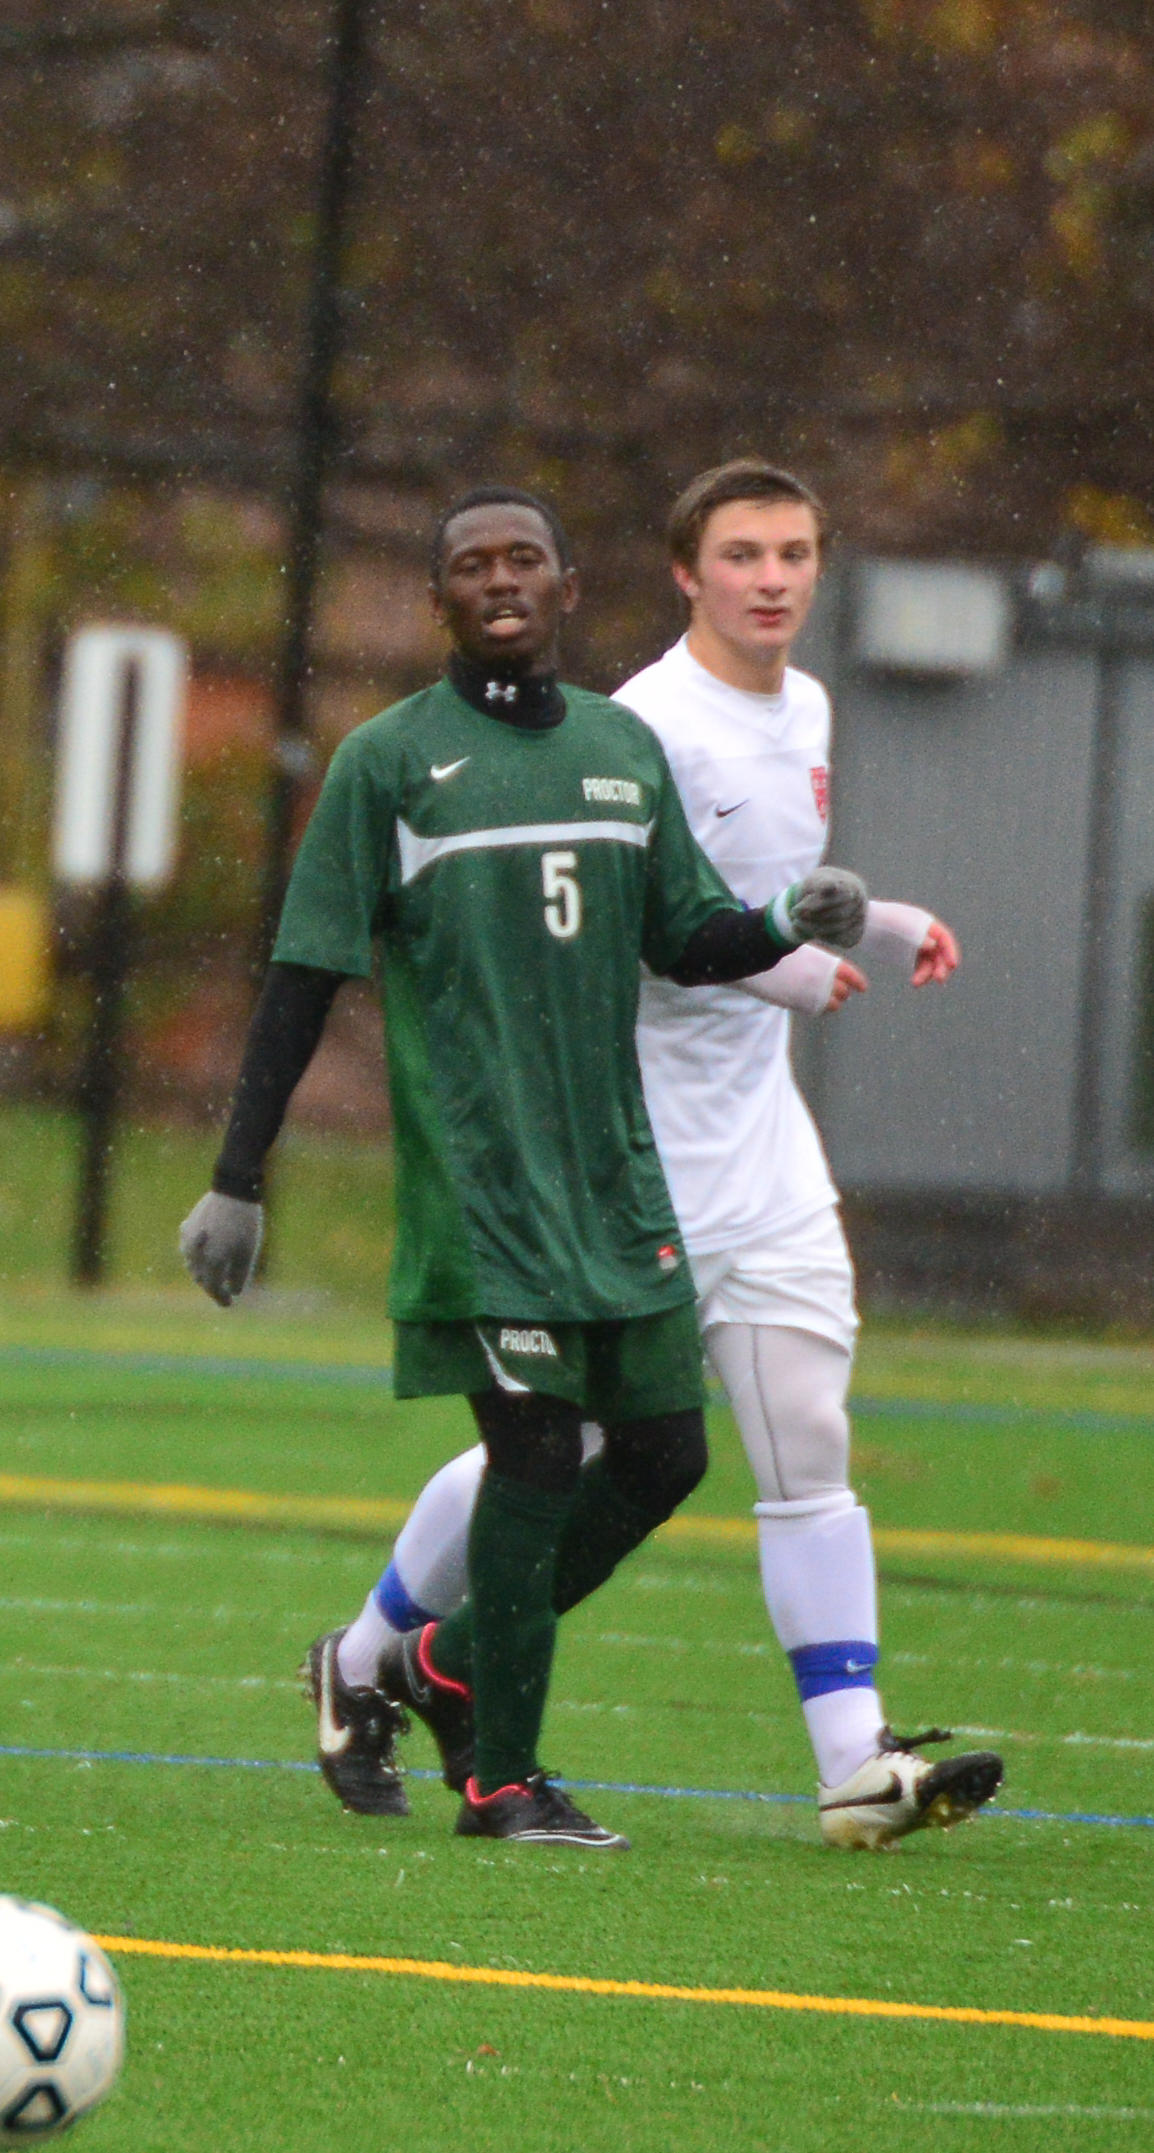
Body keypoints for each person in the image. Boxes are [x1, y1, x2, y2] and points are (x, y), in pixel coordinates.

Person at [304, 462, 1001, 1848]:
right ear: (684, 574)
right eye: (740, 553)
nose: (771, 577)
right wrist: (785, 969)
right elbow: (639, 938)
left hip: (763, 1137)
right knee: (558, 1445)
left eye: (795, 551)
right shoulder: (633, 726)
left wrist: (867, 919)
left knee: (806, 1435)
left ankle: (853, 1763)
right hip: (633, 1146)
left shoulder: (804, 703)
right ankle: (379, 1646)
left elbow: (757, 896)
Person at [182, 485, 869, 1850]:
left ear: (565, 587)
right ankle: (501, 1779)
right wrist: (235, 1175)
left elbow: (681, 932)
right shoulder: (385, 763)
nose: (497, 581)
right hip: (481, 1190)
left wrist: (783, 923)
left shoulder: (619, 748)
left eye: (522, 561)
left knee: (666, 1454)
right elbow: (305, 973)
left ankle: (441, 1665)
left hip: (616, 1177)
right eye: (467, 566)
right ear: (436, 602)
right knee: (537, 1450)